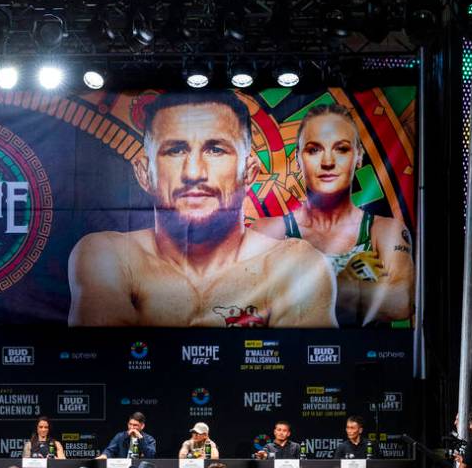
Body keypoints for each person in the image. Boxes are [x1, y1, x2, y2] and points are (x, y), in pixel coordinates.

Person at [68, 90, 336, 328]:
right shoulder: (110, 255)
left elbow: (296, 374)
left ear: (249, 171)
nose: (194, 172)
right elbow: (108, 362)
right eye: (175, 150)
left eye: (216, 150)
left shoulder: (294, 264)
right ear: (144, 173)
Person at [251, 103, 415, 326]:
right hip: (288, 358)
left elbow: (402, 302)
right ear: (298, 159)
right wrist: (361, 286)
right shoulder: (269, 230)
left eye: (341, 149)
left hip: (362, 358)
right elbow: (247, 305)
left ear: (358, 157)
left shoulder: (385, 230)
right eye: (314, 150)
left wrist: (302, 282)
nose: (328, 162)